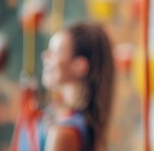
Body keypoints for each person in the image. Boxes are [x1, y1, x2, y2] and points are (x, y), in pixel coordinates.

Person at [39, 22, 115, 151]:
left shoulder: (64, 132)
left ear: (79, 66)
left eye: (55, 52)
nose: (45, 56)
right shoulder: (68, 117)